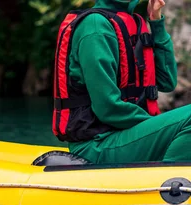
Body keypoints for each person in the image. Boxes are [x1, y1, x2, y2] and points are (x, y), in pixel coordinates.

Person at [53, 0, 191, 163]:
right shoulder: (95, 27)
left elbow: (167, 80)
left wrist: (156, 22)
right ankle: (166, 180)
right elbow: (108, 108)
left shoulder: (131, 22)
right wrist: (158, 128)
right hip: (96, 145)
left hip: (123, 136)